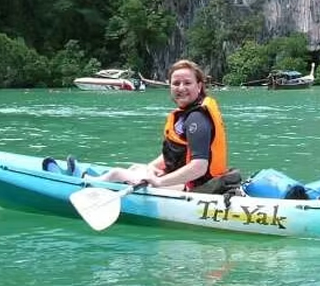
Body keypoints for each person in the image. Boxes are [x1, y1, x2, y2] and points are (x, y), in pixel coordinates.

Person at [90, 59, 232, 193]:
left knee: (117, 173)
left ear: (199, 86)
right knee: (138, 168)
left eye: (187, 83)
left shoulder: (197, 119)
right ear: (170, 86)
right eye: (176, 83)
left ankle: (88, 186)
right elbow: (177, 153)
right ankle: (98, 182)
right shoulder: (186, 115)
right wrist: (152, 167)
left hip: (199, 188)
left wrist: (159, 182)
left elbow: (199, 167)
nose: (181, 88)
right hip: (193, 182)